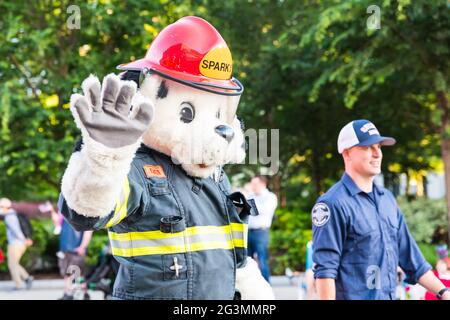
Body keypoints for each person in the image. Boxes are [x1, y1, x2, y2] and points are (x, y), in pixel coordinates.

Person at [312, 119, 450, 300]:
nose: (377, 154)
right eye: (368, 147)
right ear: (347, 154)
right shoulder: (332, 204)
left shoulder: (387, 200)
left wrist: (444, 292)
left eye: (379, 147)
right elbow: (325, 272)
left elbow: (412, 259)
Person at [247, 176, 278, 283]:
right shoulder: (250, 196)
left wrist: (248, 206)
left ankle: (266, 285)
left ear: (263, 184)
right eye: (252, 184)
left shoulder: (270, 197)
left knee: (262, 259)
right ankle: (250, 286)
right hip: (248, 232)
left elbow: (260, 210)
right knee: (247, 260)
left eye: (255, 184)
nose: (252, 187)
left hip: (261, 232)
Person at [0, 198, 33, 290]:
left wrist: (24, 240)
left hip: (16, 243)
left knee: (12, 264)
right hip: (19, 243)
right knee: (14, 263)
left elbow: (16, 231)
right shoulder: (13, 214)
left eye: (1, 206)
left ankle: (19, 284)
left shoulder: (9, 217)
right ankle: (27, 278)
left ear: (5, 207)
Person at [58, 216, 93, 300]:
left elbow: (88, 231)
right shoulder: (66, 214)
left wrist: (83, 246)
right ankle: (84, 294)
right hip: (67, 249)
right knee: (76, 273)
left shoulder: (82, 214)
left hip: (76, 250)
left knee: (72, 273)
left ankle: (69, 293)